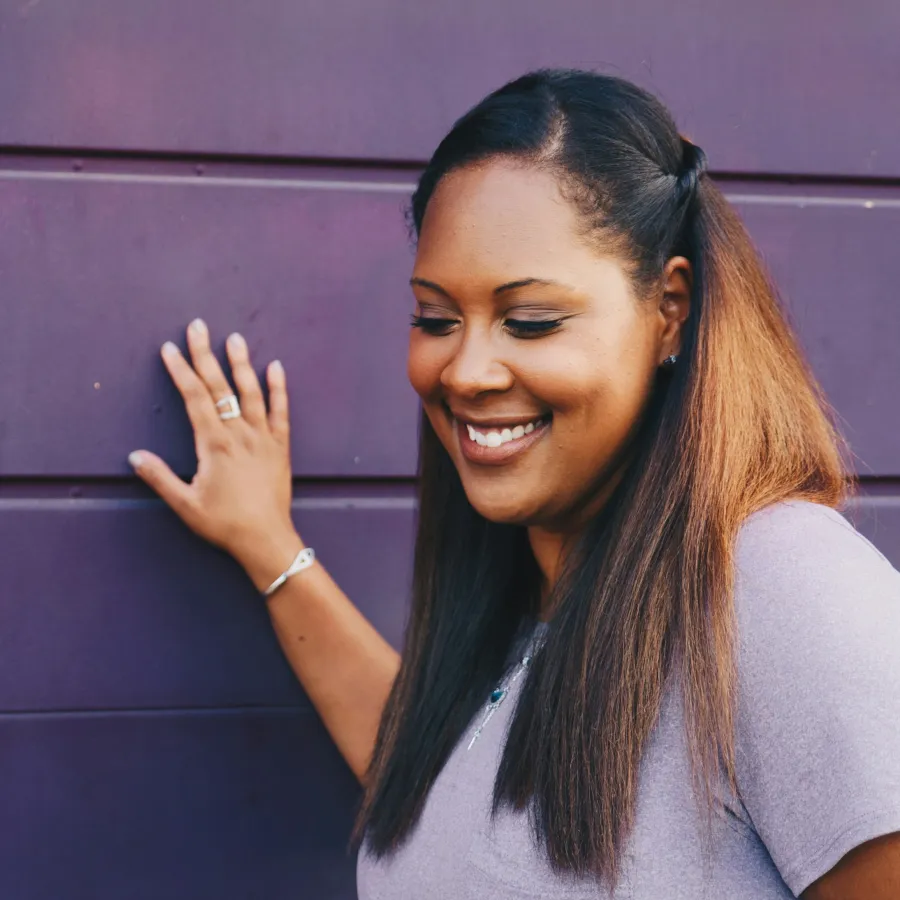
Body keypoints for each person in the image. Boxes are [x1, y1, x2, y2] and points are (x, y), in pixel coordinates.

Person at [127, 69, 900, 898]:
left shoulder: (782, 588)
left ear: (669, 309)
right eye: (435, 318)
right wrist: (267, 545)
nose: (465, 370)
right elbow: (443, 800)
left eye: (530, 320)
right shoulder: (534, 589)